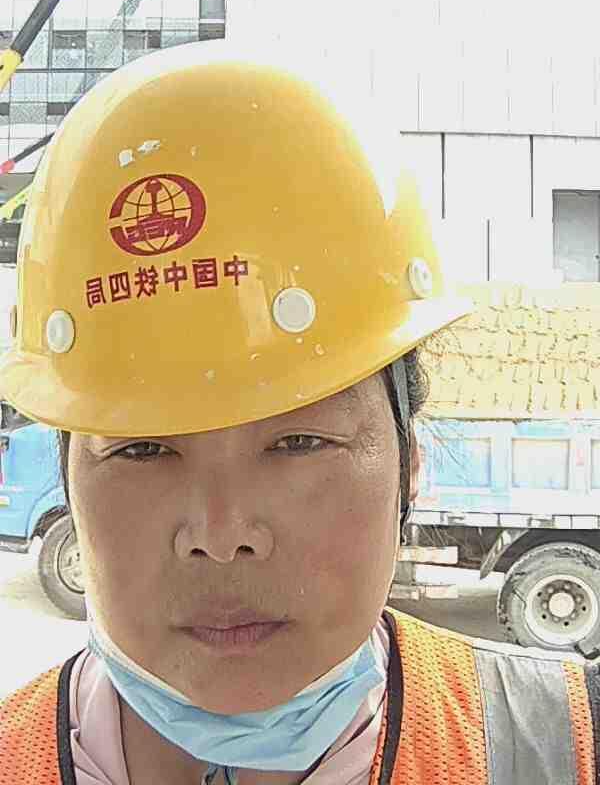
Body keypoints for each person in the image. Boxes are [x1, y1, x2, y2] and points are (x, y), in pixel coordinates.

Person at [1, 41, 598, 785]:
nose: (222, 536)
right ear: (69, 477)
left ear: (409, 463)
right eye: (143, 449)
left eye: (298, 441)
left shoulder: (565, 746)